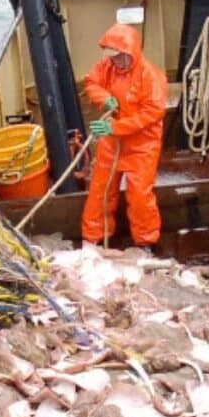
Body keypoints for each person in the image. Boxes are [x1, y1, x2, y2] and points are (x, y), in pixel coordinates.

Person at [81, 23, 167, 248]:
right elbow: (91, 82)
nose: (116, 61)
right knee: (100, 190)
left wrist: (115, 128)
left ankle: (145, 243)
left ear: (131, 52)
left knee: (139, 196)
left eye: (120, 56)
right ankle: (92, 241)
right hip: (112, 142)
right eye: (113, 56)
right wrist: (103, 97)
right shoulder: (106, 66)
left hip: (143, 145)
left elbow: (153, 112)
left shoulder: (151, 76)